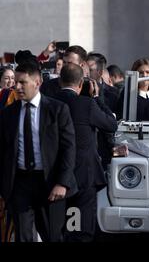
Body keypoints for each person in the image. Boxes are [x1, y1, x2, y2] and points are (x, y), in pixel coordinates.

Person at [0, 63, 77, 242]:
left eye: (22, 82)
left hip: (50, 183)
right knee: (23, 236)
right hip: (19, 183)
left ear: (37, 82)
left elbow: (69, 148)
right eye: (15, 83)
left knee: (52, 235)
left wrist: (62, 183)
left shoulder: (57, 110)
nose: (17, 87)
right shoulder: (7, 114)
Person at [55, 63, 117, 241]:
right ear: (81, 83)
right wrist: (97, 97)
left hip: (56, 173)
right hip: (84, 173)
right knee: (81, 228)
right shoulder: (87, 104)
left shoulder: (48, 101)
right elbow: (111, 125)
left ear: (60, 80)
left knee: (59, 226)